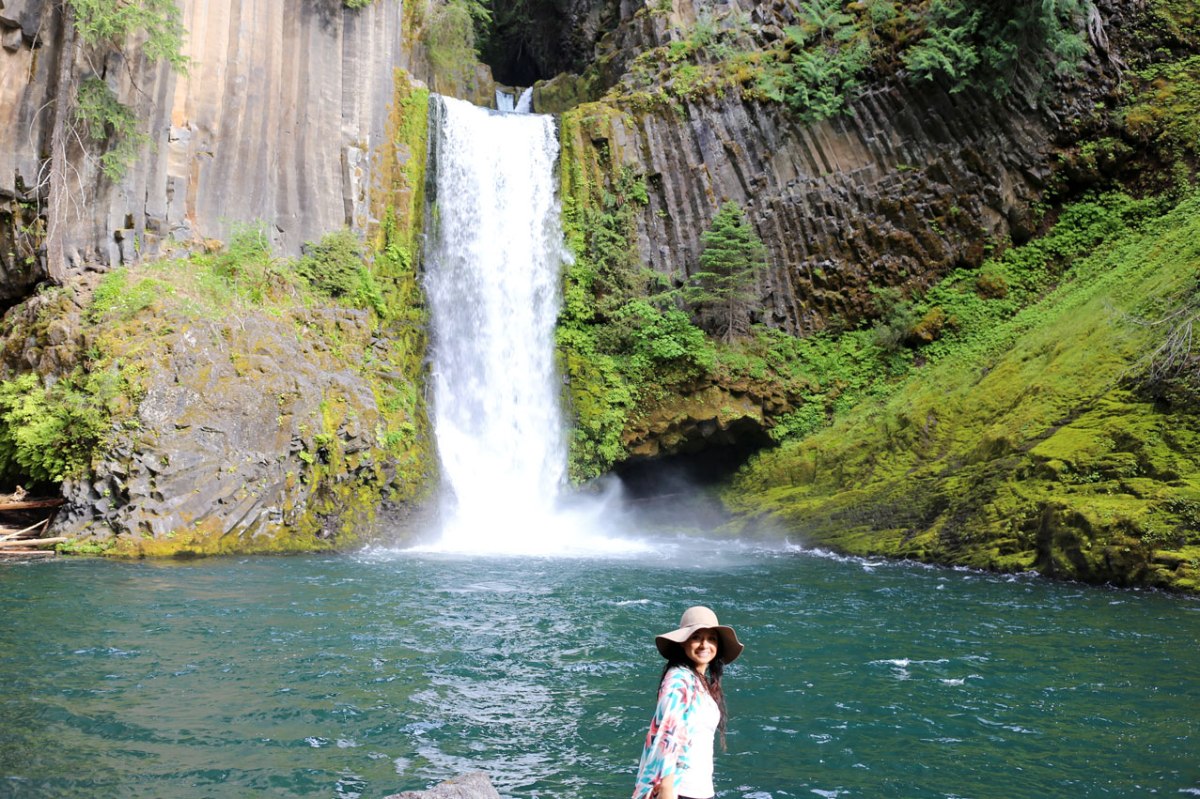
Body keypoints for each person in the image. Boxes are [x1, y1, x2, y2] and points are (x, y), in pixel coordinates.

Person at [632, 606, 744, 799]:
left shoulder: (698, 681)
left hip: (699, 789)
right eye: (696, 637)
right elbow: (668, 735)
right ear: (683, 643)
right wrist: (667, 790)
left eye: (712, 638)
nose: (704, 644)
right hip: (679, 790)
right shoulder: (678, 680)